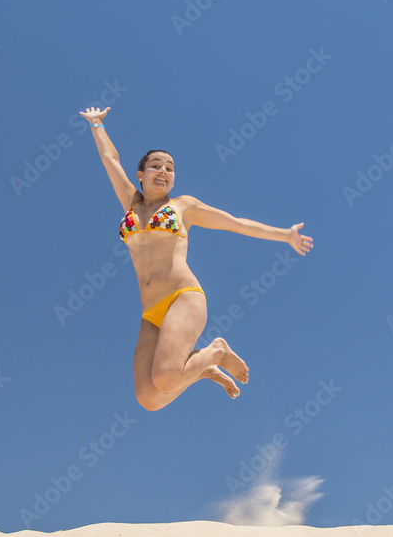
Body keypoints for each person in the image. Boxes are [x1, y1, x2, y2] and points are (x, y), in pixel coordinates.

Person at [80, 106, 312, 411]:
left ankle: (216, 351)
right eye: (155, 166)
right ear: (141, 174)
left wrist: (285, 235)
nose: (163, 171)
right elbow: (110, 160)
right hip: (150, 313)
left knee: (165, 378)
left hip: (183, 298)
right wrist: (97, 124)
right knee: (148, 398)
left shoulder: (183, 206)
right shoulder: (130, 204)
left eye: (170, 168)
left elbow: (236, 223)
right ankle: (204, 370)